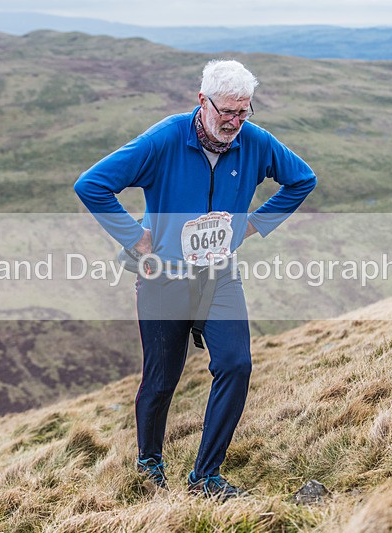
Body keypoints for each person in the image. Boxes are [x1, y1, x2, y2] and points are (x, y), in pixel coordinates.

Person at [74, 59, 316, 500]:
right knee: (161, 380)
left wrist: (254, 224)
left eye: (244, 112)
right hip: (163, 278)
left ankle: (206, 477)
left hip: (218, 276)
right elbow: (91, 185)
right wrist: (136, 238)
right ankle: (149, 464)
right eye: (227, 111)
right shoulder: (165, 139)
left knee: (236, 365)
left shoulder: (255, 143)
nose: (234, 122)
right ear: (202, 101)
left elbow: (302, 179)